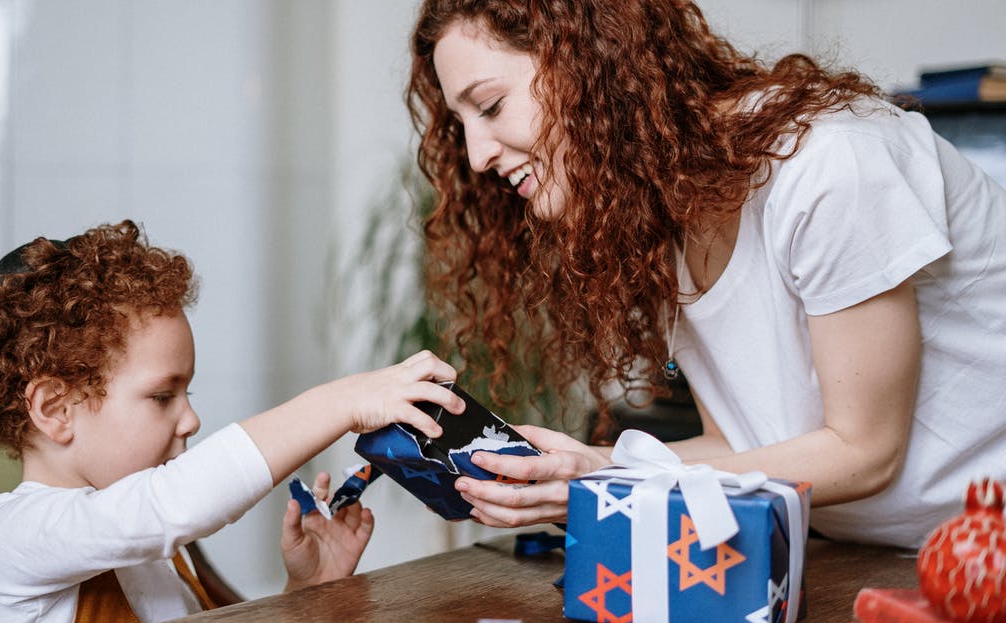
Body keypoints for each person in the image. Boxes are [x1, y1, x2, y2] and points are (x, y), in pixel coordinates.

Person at [406, 0, 1006, 549]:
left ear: (589, 66)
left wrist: (612, 482)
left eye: (489, 106)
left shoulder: (830, 165)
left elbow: (866, 452)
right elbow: (736, 448)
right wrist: (588, 470)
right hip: (869, 560)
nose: (477, 155)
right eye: (463, 124)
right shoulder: (657, 215)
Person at [0, 220, 465, 623]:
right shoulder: (4, 537)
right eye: (162, 396)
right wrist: (345, 400)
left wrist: (305, 591)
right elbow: (171, 505)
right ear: (55, 410)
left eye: (187, 391)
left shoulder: (159, 554)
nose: (191, 417)